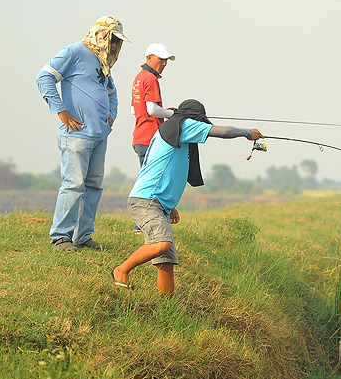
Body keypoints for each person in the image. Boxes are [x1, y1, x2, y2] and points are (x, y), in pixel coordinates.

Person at [111, 100, 264, 295]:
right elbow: (222, 132)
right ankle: (121, 270)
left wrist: (169, 206)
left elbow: (166, 172)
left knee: (166, 262)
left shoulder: (174, 133)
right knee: (161, 243)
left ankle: (165, 306)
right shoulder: (182, 125)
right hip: (146, 201)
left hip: (157, 203)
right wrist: (247, 133)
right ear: (193, 119)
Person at [36, 16, 129, 252]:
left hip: (100, 135)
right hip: (77, 134)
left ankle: (83, 235)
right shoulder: (74, 52)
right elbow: (44, 77)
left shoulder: (102, 62)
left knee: (93, 186)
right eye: (114, 40)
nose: (116, 46)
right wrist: (61, 111)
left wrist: (112, 115)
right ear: (102, 35)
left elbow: (112, 92)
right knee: (73, 184)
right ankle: (60, 237)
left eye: (119, 42)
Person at [131, 42, 176, 167]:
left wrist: (163, 111)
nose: (164, 63)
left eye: (165, 60)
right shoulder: (151, 78)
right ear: (149, 58)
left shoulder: (139, 77)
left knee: (146, 180)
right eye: (161, 59)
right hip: (150, 138)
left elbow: (134, 109)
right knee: (153, 184)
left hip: (139, 138)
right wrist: (173, 114)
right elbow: (152, 110)